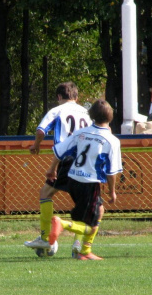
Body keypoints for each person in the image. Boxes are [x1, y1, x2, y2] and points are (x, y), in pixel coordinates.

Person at [47, 99, 122, 260]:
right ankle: (63, 225)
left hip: (72, 179)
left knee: (99, 211)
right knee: (90, 224)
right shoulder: (112, 141)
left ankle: (85, 251)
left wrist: (52, 169)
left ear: (91, 116)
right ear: (111, 118)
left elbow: (60, 151)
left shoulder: (80, 133)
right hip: (89, 184)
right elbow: (111, 171)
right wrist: (112, 191)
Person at [24, 81, 92, 256]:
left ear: (59, 97)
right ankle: (78, 243)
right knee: (82, 203)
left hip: (66, 159)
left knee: (45, 193)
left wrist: (36, 145)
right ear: (76, 97)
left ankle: (47, 239)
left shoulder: (57, 110)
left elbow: (41, 131)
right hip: (86, 160)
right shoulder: (87, 112)